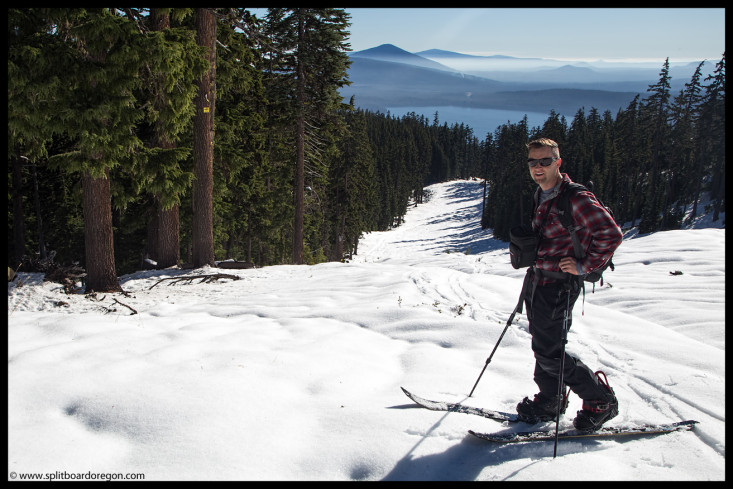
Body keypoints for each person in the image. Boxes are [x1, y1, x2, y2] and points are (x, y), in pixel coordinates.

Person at [516, 138, 623, 432]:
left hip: (560, 286)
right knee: (543, 346)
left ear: (558, 162)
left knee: (551, 352)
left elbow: (611, 234)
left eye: (545, 161)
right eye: (533, 162)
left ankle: (600, 400)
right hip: (539, 280)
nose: (538, 167)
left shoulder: (575, 197)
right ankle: (550, 399)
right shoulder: (543, 193)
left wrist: (584, 265)